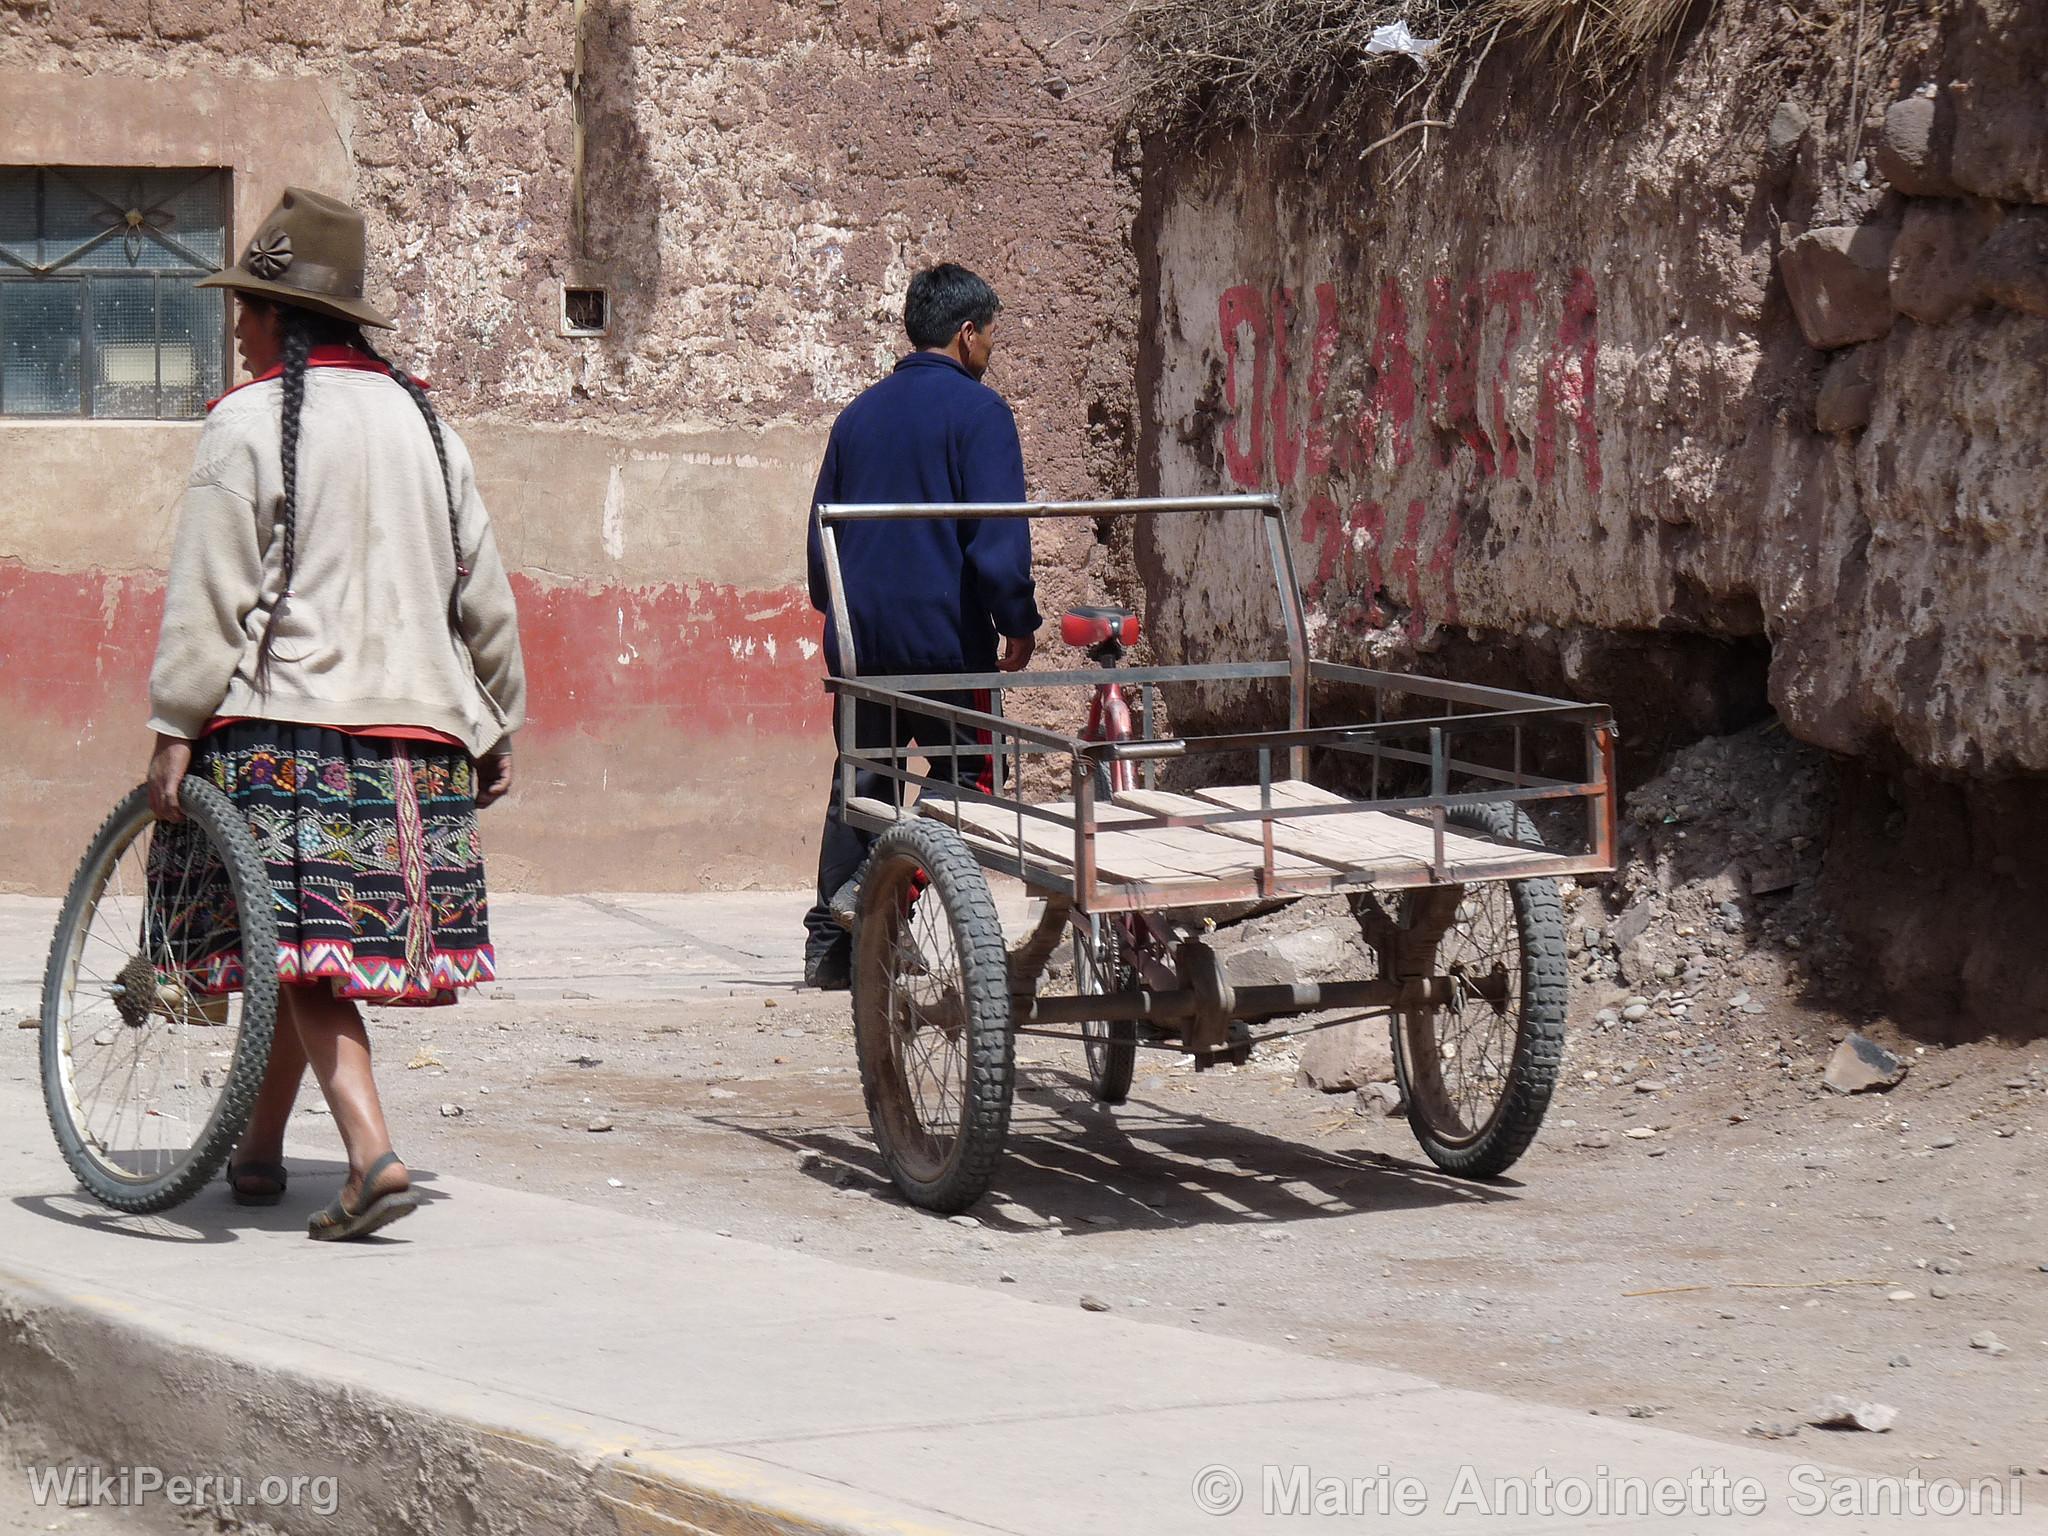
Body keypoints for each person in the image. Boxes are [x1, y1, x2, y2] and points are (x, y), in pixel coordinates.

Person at [142, 187, 526, 1240]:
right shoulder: (427, 425)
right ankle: (258, 1156)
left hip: (285, 732)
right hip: (418, 732)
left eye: (247, 310)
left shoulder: (244, 422)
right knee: (299, 950)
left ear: (284, 319)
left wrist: (174, 726)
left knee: (304, 951)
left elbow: (209, 592)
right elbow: (481, 588)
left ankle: (369, 1155)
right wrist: (497, 714)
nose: (236, 328)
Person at [801, 263, 1042, 989]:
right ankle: (877, 888)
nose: (993, 348)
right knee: (973, 778)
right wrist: (1017, 621)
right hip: (948, 645)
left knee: (862, 781)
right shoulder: (980, 413)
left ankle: (832, 950)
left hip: (862, 644)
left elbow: (823, 542)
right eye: (992, 333)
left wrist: (844, 624)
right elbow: (997, 539)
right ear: (966, 334)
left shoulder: (857, 416)